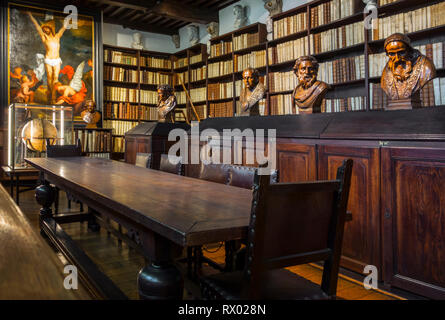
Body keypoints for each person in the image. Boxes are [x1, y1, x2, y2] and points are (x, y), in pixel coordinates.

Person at [381, 33, 436, 109]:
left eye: (401, 52)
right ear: (387, 54)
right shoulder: (386, 72)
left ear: (409, 50)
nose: (397, 58)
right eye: (392, 54)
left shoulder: (425, 66)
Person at [27, 12, 68, 103]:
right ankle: (50, 95)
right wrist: (30, 16)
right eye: (44, 28)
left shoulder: (57, 37)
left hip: (57, 60)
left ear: (50, 28)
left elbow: (63, 28)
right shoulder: (44, 38)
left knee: (55, 78)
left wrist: (68, 19)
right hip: (48, 60)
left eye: (47, 28)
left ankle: (53, 97)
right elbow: (37, 26)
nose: (45, 29)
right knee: (49, 78)